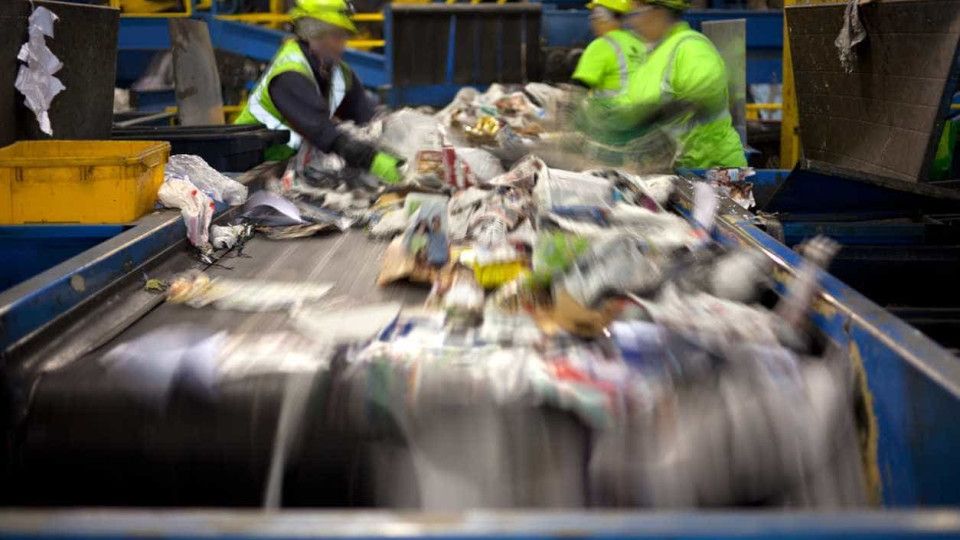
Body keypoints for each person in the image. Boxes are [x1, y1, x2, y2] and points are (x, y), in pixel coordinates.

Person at [234, 0, 403, 183]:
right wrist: (374, 161)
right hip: (248, 171)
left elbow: (369, 117)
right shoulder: (290, 74)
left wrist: (398, 142)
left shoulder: (337, 72)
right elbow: (326, 134)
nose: (343, 45)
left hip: (287, 169)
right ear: (313, 33)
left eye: (344, 36)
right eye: (336, 36)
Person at [618, 0, 746, 168]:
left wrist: (662, 114)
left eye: (635, 13)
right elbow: (633, 103)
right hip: (678, 169)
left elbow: (706, 92)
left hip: (714, 171)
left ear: (658, 12)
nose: (632, 22)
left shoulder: (690, 46)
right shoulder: (652, 55)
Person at [570, 0, 645, 100]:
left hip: (610, 112)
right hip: (642, 111)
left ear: (602, 18)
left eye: (593, 18)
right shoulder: (639, 43)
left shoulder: (602, 45)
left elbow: (580, 87)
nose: (592, 23)